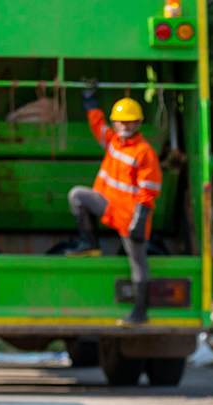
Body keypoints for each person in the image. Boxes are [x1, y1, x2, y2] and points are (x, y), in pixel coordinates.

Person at [64, 84, 163, 325]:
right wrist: (90, 101)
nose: (123, 126)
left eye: (129, 122)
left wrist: (140, 221)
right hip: (108, 205)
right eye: (119, 122)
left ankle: (140, 313)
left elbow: (149, 190)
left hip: (130, 217)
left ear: (139, 123)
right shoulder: (113, 142)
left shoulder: (144, 152)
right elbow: (98, 125)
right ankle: (89, 243)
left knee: (138, 262)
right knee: (77, 195)